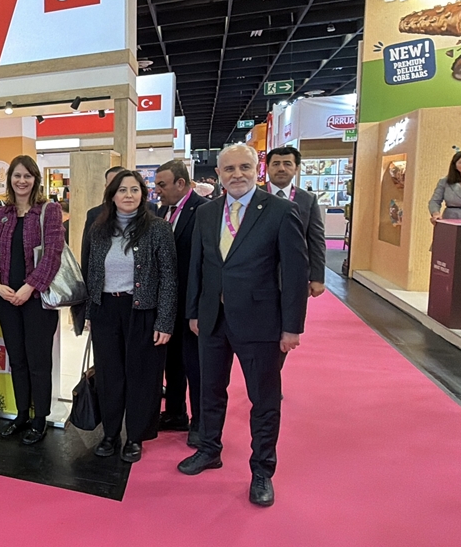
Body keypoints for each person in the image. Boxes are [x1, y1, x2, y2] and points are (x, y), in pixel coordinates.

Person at [178, 144, 308, 507]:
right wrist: (194, 311)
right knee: (209, 391)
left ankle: (262, 471)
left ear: (257, 170)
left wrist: (292, 327)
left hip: (260, 322)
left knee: (263, 400)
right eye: (229, 168)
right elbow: (199, 266)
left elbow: (295, 274)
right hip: (212, 320)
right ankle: (209, 449)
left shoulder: (281, 211)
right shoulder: (207, 213)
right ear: (218, 173)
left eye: (244, 167)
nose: (237, 174)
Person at [81, 170, 178, 463]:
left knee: (142, 376)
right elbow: (91, 272)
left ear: (143, 195)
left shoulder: (158, 229)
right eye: (122, 190)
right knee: (109, 375)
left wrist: (164, 321)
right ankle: (111, 433)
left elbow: (169, 278)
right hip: (106, 311)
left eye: (134, 190)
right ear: (112, 195)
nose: (128, 195)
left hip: (142, 311)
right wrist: (89, 312)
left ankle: (135, 436)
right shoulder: (99, 228)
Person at [0, 155, 64, 444]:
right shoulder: (2, 214)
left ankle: (39, 418)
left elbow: (53, 254)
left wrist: (29, 287)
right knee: (17, 359)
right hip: (7, 298)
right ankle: (21, 414)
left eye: (27, 176)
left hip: (37, 300)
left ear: (36, 179)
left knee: (38, 361)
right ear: (9, 179)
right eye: (17, 175)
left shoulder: (49, 211)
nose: (22, 181)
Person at [154, 159, 209, 445]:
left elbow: (206, 262)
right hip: (168, 304)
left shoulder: (203, 211)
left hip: (191, 303)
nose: (157, 190)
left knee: (194, 365)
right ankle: (176, 413)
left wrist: (199, 306)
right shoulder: (162, 211)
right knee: (172, 362)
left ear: (180, 183)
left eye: (162, 185)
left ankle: (200, 422)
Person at [266, 147, 327, 298]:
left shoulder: (307, 199)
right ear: (267, 168)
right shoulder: (253, 196)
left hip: (296, 274)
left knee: (293, 313)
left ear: (297, 168)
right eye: (276, 164)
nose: (281, 168)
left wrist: (317, 277)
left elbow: (316, 240)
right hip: (257, 274)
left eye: (287, 164)